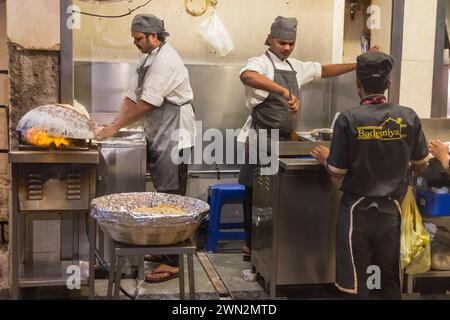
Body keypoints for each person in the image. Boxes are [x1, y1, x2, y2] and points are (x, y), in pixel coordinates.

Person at [237, 16, 364, 259]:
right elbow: (247, 76)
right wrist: (283, 90)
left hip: (285, 139)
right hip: (260, 137)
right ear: (270, 39)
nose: (286, 47)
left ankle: (275, 243)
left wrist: (355, 64)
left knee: (278, 191)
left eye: (291, 43)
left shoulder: (296, 66)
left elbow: (324, 70)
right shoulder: (260, 63)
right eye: (282, 42)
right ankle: (251, 243)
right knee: (255, 191)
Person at [311, 51, 430, 299]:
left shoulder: (348, 119)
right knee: (388, 281)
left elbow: (336, 172)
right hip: (392, 213)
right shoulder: (408, 117)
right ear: (388, 84)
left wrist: (325, 159)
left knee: (357, 283)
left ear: (358, 84)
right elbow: (421, 165)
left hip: (357, 213)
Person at [95, 14, 196, 283]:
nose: (135, 43)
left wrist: (115, 128)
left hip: (175, 132)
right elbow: (131, 97)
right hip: (159, 129)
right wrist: (113, 123)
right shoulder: (146, 59)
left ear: (154, 36)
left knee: (173, 198)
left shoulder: (166, 59)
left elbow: (147, 104)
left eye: (138, 38)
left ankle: (174, 261)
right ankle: (164, 251)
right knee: (162, 194)